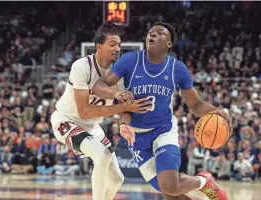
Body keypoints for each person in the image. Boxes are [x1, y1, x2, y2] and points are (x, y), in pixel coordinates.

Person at [93, 22, 233, 200]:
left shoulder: (177, 68)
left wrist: (218, 111)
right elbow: (99, 86)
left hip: (163, 131)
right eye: (150, 32)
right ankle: (204, 184)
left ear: (169, 44)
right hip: (136, 136)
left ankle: (203, 181)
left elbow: (196, 105)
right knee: (171, 194)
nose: (152, 35)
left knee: (170, 185)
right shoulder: (131, 60)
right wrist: (117, 93)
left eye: (159, 33)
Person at [50, 21, 151, 200]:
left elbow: (124, 109)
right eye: (112, 44)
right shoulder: (82, 67)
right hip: (68, 120)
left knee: (117, 179)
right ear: (98, 46)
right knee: (102, 155)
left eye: (119, 45)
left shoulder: (119, 73)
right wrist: (123, 106)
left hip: (92, 126)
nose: (117, 48)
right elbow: (84, 111)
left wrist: (124, 123)